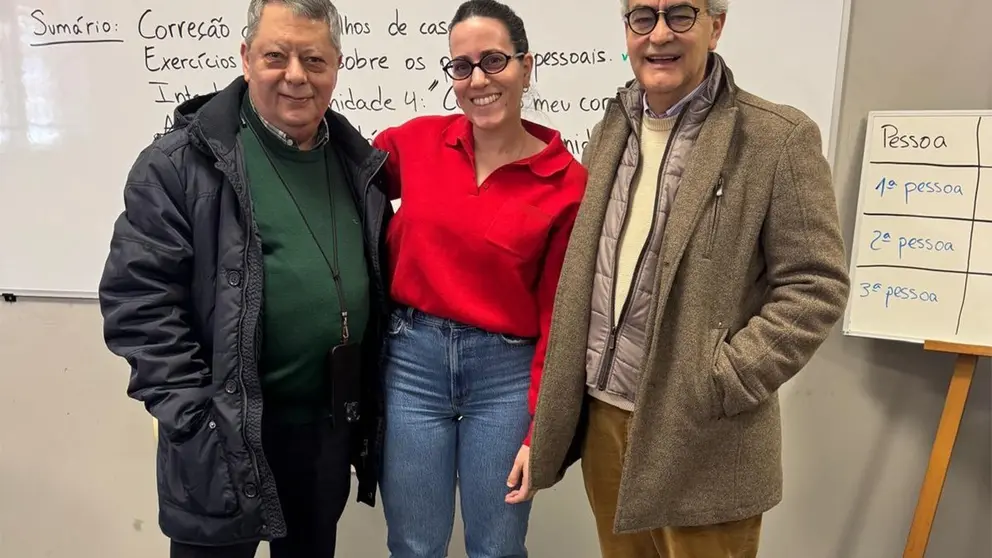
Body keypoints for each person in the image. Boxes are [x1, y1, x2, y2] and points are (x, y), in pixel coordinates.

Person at [528, 1, 851, 557]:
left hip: (702, 433)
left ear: (715, 26)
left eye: (680, 14)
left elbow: (816, 283)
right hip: (605, 418)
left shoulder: (776, 137)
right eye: (643, 17)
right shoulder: (612, 130)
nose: (659, 35)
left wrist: (722, 378)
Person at [97, 0, 392, 556]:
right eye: (276, 56)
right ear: (246, 58)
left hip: (323, 436)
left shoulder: (359, 164)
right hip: (222, 437)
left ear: (337, 64)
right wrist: (196, 420)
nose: (296, 76)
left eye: (314, 59)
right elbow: (137, 304)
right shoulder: (179, 164)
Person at [369, 1, 587, 556]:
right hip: (411, 368)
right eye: (462, 66)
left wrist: (541, 430)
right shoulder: (414, 143)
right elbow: (334, 177)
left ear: (526, 66)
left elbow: (558, 318)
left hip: (505, 381)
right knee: (414, 547)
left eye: (494, 60)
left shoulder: (567, 183)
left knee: (497, 549)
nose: (479, 80)